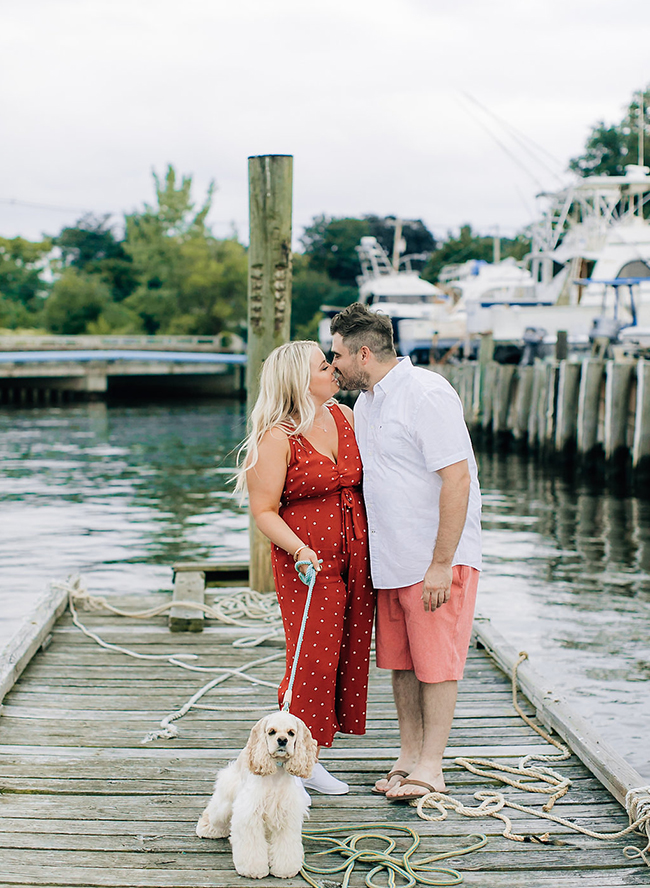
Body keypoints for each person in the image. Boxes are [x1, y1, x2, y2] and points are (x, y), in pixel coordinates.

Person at [329, 304, 481, 801]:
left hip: (435, 559)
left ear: (364, 353)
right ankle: (408, 756)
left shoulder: (426, 393)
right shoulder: (369, 402)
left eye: (338, 356)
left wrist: (441, 564)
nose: (335, 366)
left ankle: (431, 768)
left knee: (436, 663)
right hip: (390, 561)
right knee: (401, 663)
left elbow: (456, 479)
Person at [236, 340, 375, 795]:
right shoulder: (276, 437)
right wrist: (299, 550)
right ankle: (298, 758)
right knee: (311, 658)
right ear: (299, 379)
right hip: (308, 563)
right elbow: (264, 511)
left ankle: (314, 752)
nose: (334, 368)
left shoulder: (345, 417)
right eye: (323, 365)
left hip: (357, 555)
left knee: (346, 653)